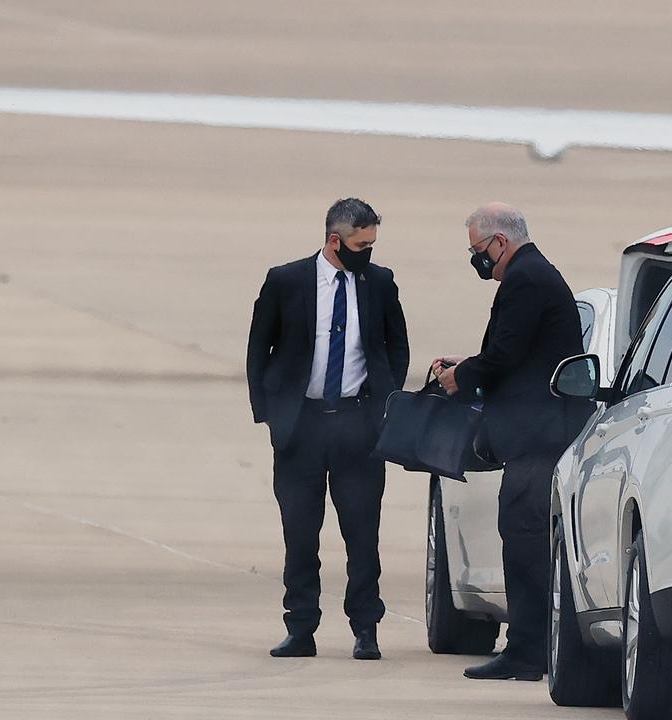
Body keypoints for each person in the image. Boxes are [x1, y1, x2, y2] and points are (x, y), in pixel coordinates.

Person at [433, 202, 592, 680]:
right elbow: (520, 352)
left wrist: (464, 376)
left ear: (500, 242)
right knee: (522, 538)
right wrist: (469, 365)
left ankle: (526, 652)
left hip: (538, 438)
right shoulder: (535, 275)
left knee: (524, 542)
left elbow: (505, 354)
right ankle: (530, 647)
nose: (476, 260)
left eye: (478, 250)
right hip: (538, 434)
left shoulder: (526, 278)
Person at [246, 198, 409, 660]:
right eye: (361, 244)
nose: (369, 253)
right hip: (302, 428)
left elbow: (397, 345)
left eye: (373, 244)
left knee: (362, 534)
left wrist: (385, 401)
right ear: (335, 240)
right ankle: (301, 627)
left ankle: (366, 628)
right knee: (300, 533)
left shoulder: (379, 282)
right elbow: (260, 348)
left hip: (359, 426)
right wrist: (270, 414)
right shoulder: (286, 280)